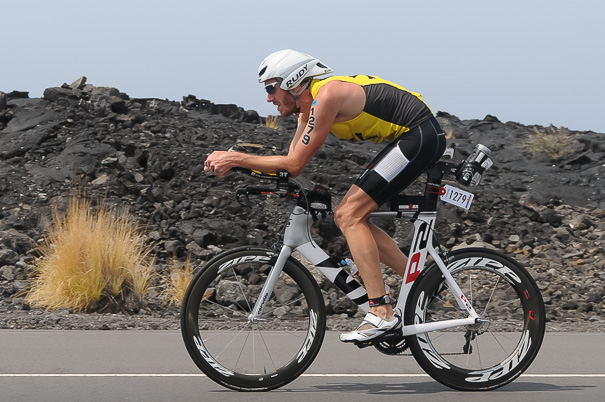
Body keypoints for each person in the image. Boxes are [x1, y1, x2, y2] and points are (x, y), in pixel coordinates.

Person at [204, 49, 447, 342]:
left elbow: (293, 164)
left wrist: (237, 159)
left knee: (348, 215)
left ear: (293, 82)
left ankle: (382, 311)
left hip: (419, 134)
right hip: (410, 137)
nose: (268, 98)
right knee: (353, 217)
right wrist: (242, 166)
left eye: (271, 88)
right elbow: (291, 165)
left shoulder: (327, 96)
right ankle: (424, 283)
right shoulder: (307, 110)